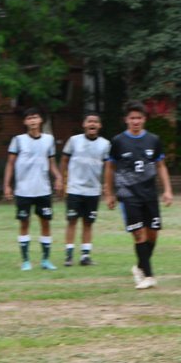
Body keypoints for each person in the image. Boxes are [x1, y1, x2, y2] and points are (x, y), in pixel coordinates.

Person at [104, 101, 173, 289]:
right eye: (132, 118)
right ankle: (148, 276)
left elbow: (161, 166)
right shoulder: (118, 141)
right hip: (128, 195)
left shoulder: (153, 140)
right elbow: (110, 168)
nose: (135, 121)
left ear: (144, 119)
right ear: (126, 120)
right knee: (138, 233)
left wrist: (167, 189)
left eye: (139, 118)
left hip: (149, 195)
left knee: (153, 234)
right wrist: (109, 193)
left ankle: (140, 266)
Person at [4, 107, 62, 271]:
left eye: (35, 117)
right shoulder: (18, 140)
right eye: (29, 118)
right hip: (23, 191)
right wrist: (7, 185)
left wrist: (58, 177)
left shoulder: (48, 140)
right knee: (24, 223)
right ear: (25, 122)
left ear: (40, 120)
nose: (32, 121)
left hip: (43, 190)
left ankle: (45, 260)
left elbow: (52, 163)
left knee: (46, 223)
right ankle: (26, 261)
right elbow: (10, 164)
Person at [60, 112, 111, 267]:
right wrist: (62, 180)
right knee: (72, 221)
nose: (92, 124)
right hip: (75, 189)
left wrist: (106, 186)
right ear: (84, 124)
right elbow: (64, 160)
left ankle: (85, 256)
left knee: (88, 223)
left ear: (99, 126)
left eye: (95, 121)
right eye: (89, 121)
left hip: (93, 191)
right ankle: (69, 256)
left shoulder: (105, 144)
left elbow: (108, 167)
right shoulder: (74, 141)